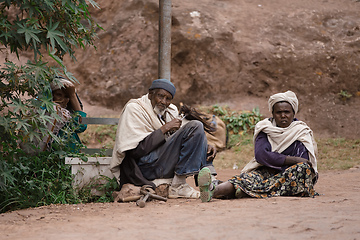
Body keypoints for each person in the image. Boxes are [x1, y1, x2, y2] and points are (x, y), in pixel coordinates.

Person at [198, 90, 318, 202]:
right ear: (273, 114)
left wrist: (280, 161)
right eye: (279, 112)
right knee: (244, 180)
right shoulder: (265, 128)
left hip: (289, 175)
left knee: (302, 169)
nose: (283, 116)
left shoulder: (301, 131)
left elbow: (304, 163)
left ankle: (245, 190)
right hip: (264, 171)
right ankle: (212, 190)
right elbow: (261, 156)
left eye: (286, 112)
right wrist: (293, 159)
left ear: (293, 113)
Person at [110, 79, 217, 198]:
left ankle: (211, 180)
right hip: (144, 167)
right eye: (160, 96)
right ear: (151, 94)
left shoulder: (170, 111)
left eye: (168, 99)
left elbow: (180, 139)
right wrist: (164, 128)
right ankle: (179, 185)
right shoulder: (135, 109)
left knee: (197, 129)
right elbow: (136, 152)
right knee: (195, 126)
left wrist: (203, 145)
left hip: (162, 163)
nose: (163, 102)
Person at [21, 76, 87, 153]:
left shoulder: (66, 116)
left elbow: (80, 126)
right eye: (59, 95)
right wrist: (72, 95)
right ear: (51, 95)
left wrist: (72, 95)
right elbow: (81, 126)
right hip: (52, 159)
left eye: (67, 96)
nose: (62, 100)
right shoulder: (46, 113)